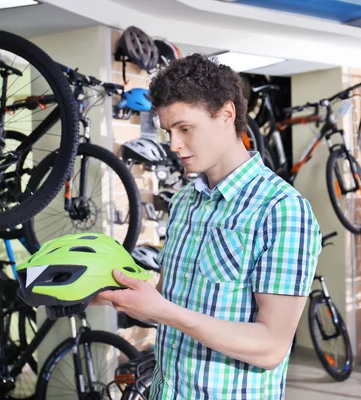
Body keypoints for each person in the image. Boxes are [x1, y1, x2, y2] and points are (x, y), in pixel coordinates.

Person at [95, 53, 322, 399]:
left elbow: (270, 347)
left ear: (227, 114)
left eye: (185, 128)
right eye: (169, 131)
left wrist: (164, 311)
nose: (174, 145)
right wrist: (117, 292)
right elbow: (178, 301)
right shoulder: (186, 202)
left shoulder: (282, 210)